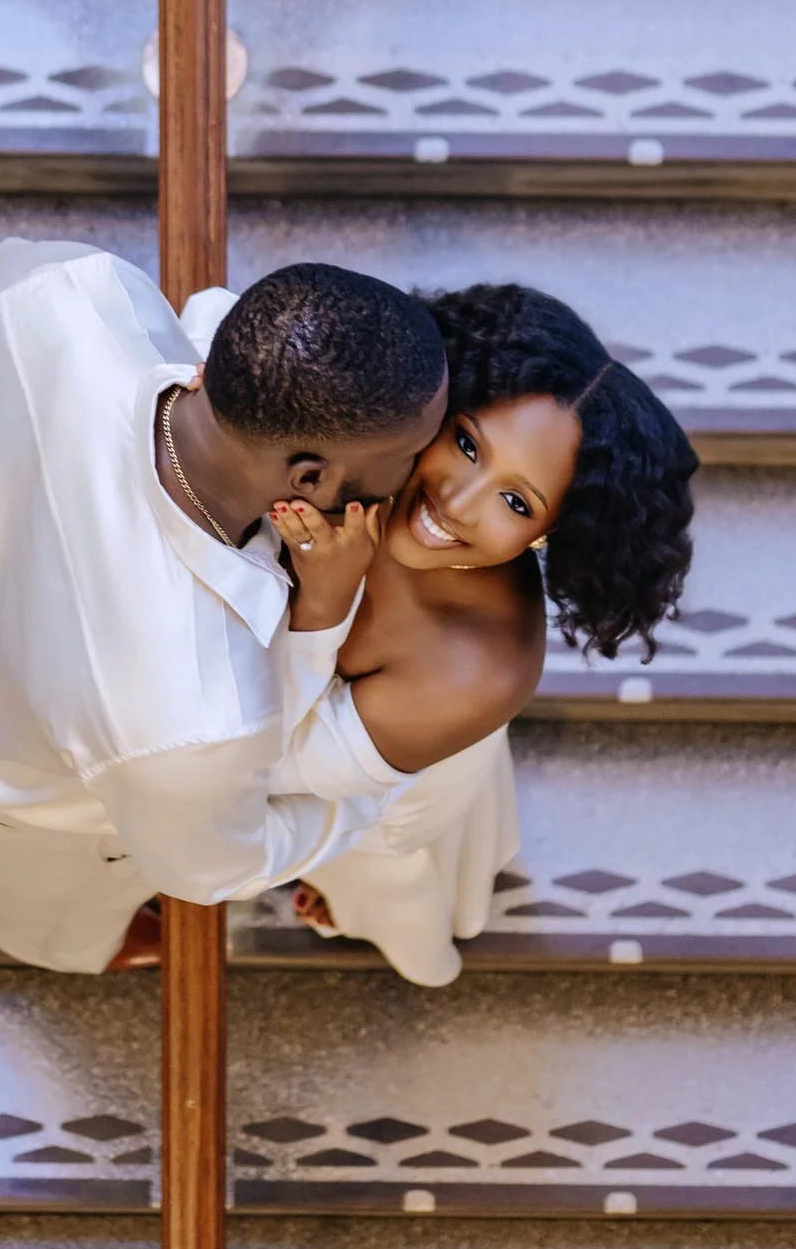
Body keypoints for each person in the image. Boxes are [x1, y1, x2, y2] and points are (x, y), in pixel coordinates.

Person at [0, 239, 450, 973]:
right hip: (18, 787)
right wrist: (379, 790)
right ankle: (61, 943)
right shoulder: (191, 720)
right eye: (412, 453)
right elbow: (211, 870)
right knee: (38, 903)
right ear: (310, 477)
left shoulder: (64, 295)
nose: (425, 466)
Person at [266, 281, 697, 986]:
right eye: (467, 443)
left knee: (376, 872)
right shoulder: (386, 447)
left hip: (371, 784)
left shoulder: (481, 665)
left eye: (515, 501)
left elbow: (273, 765)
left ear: (555, 531)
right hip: (391, 730)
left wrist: (323, 599)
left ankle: (411, 947)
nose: (455, 502)